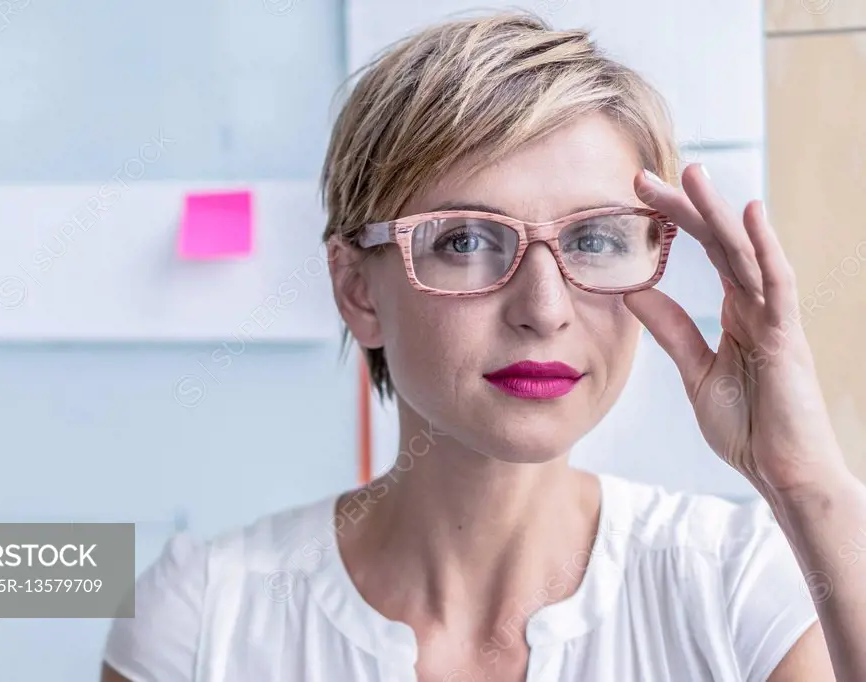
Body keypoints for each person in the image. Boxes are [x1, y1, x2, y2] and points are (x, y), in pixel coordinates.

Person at [100, 12, 865, 681]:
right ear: (359, 291)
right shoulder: (204, 618)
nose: (543, 309)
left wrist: (804, 484)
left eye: (594, 238)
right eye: (465, 239)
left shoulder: (741, 588)